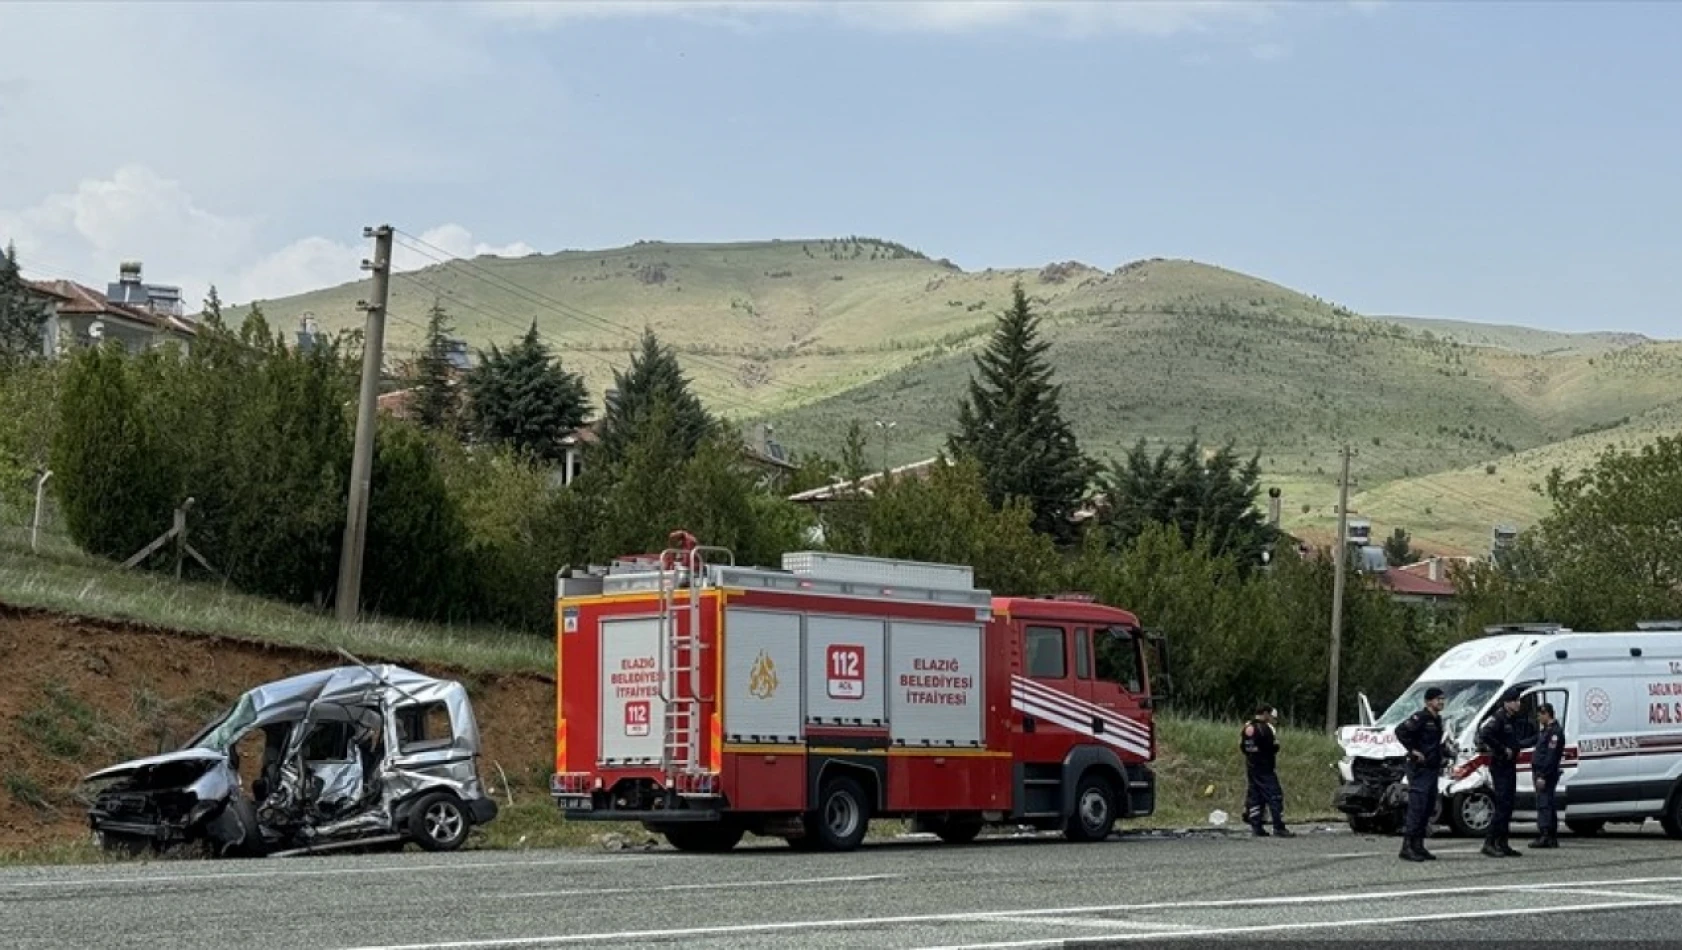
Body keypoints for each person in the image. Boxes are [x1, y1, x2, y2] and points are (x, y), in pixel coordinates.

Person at [1393, 686, 1446, 862]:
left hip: (1432, 769)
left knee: (1428, 807)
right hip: (1419, 769)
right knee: (1417, 807)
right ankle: (1407, 847)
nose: (1441, 702)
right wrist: (1413, 751)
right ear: (1429, 701)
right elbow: (1400, 731)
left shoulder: (1437, 720)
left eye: (1442, 699)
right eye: (1438, 699)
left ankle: (1419, 845)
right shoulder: (1420, 717)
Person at [1477, 685, 1526, 857]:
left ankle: (1503, 842)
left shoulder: (1511, 719)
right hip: (1500, 766)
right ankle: (1489, 842)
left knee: (1508, 805)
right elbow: (1485, 734)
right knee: (1502, 805)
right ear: (1507, 703)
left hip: (1510, 765)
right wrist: (1501, 749)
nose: (1518, 704)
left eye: (1518, 700)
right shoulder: (1498, 718)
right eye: (1515, 701)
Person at [1239, 704, 1293, 837]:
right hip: (1266, 768)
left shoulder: (1247, 726)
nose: (1272, 720)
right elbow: (1273, 747)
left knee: (1255, 796)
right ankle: (1278, 826)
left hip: (1251, 767)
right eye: (1271, 716)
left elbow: (1242, 746)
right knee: (1275, 796)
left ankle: (1256, 827)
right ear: (1265, 714)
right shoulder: (1266, 729)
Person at [1529, 702, 1564, 849]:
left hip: (1546, 773)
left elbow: (1551, 756)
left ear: (1546, 714)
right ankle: (1550, 836)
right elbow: (1533, 742)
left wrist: (1542, 775)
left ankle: (1546, 835)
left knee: (1544, 804)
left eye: (1539, 715)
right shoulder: (1546, 731)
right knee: (1547, 803)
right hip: (1542, 771)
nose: (1538, 718)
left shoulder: (1554, 733)